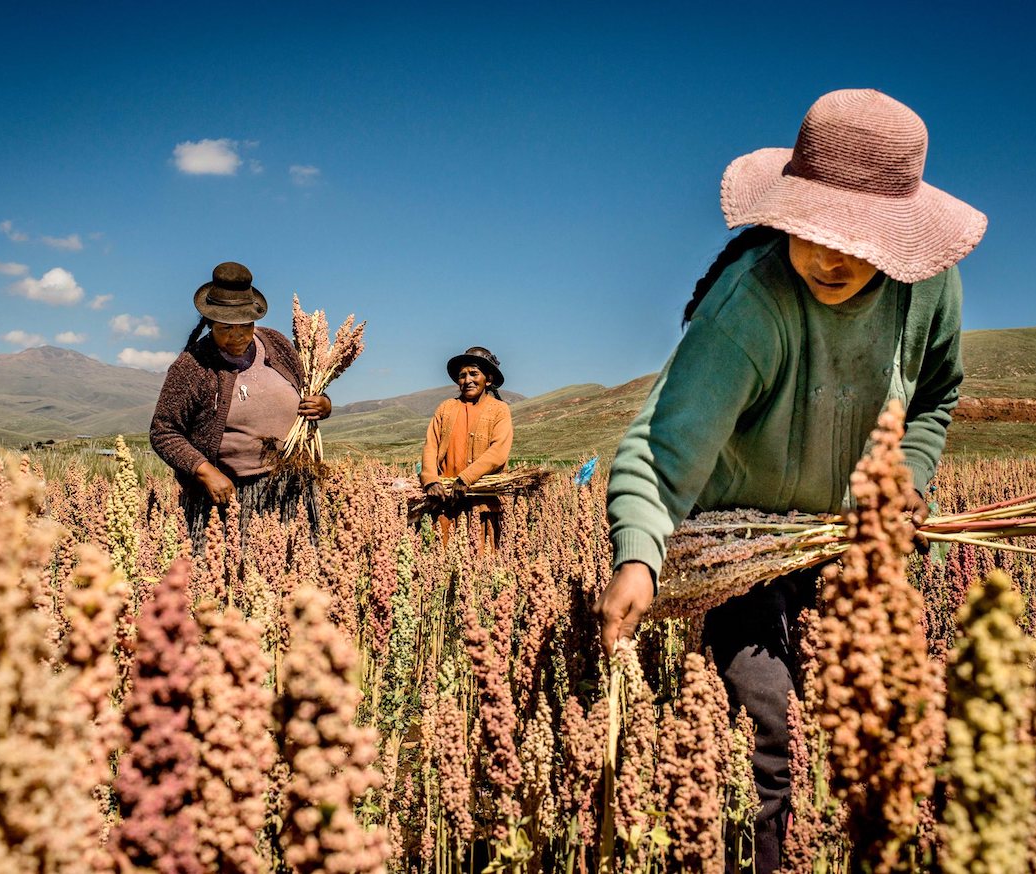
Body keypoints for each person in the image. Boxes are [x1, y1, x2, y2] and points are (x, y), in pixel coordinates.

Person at [595, 89, 986, 872]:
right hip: (744, 543)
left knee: (866, 733)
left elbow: (938, 394)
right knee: (767, 731)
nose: (830, 257)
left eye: (860, 238)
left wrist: (907, 479)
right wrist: (639, 555)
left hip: (850, 543)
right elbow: (664, 445)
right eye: (814, 231)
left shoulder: (928, 290)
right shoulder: (749, 302)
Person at [150, 261, 332, 546]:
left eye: (245, 326)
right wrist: (205, 471)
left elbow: (307, 389)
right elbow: (164, 431)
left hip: (291, 485)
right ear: (209, 324)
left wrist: (323, 405)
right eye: (225, 328)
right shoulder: (192, 366)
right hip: (230, 494)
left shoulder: (276, 344)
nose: (237, 336)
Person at [419, 347, 514, 548]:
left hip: (482, 504)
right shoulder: (446, 408)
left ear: (488, 379)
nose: (467, 380)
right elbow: (430, 446)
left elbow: (498, 452)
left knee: (480, 565)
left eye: (473, 373)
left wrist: (466, 478)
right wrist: (430, 481)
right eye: (462, 375)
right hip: (445, 503)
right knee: (442, 563)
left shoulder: (499, 410)